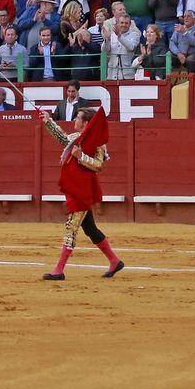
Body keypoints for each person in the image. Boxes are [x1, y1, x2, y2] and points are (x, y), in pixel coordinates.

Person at [39, 104, 123, 281]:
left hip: (82, 191)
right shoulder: (77, 137)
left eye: (78, 117)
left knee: (71, 227)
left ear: (85, 123)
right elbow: (63, 138)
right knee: (90, 229)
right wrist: (48, 121)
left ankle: (59, 270)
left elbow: (98, 165)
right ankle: (114, 261)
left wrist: (81, 156)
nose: (75, 120)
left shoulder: (97, 143)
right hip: (77, 187)